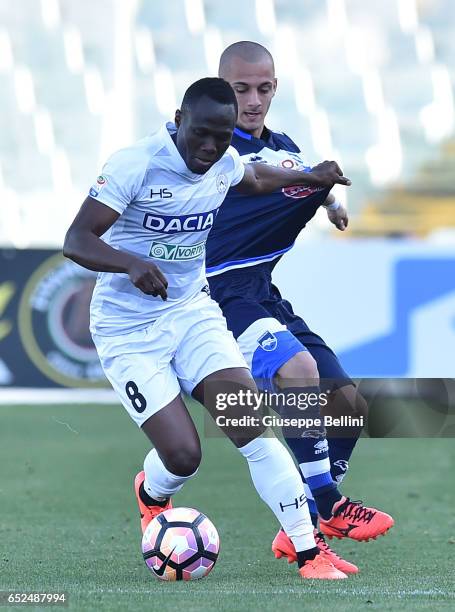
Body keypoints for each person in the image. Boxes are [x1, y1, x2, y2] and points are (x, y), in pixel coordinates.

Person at [63, 77, 357, 580]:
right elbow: (76, 239)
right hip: (128, 329)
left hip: (191, 315)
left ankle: (311, 554)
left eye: (220, 138)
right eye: (200, 133)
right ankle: (151, 493)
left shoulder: (221, 162)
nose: (209, 147)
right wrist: (130, 264)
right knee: (183, 456)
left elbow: (257, 177)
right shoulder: (135, 164)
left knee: (251, 427)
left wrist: (312, 177)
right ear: (179, 118)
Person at [206, 42, 394, 574]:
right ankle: (331, 507)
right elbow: (263, 176)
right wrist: (314, 179)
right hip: (218, 295)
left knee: (349, 404)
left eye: (264, 88)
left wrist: (329, 197)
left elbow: (297, 169)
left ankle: (305, 524)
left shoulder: (283, 146)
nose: (254, 99)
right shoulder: (210, 149)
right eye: (241, 89)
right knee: (299, 370)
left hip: (262, 290)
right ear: (222, 90)